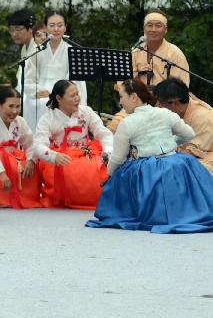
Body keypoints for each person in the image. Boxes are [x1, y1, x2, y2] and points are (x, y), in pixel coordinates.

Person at [87, 80, 213, 233]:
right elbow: (189, 134)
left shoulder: (127, 123)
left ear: (133, 97)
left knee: (121, 172)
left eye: (121, 96)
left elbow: (118, 158)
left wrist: (109, 175)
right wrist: (171, 142)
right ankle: (187, 212)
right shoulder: (165, 113)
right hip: (174, 162)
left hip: (147, 171)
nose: (120, 102)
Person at [32, 80, 113, 209]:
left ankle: (93, 199)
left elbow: (103, 133)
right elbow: (38, 145)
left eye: (77, 94)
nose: (77, 98)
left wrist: (108, 151)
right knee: (68, 171)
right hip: (60, 157)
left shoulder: (86, 112)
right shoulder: (48, 118)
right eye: (72, 96)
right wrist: (54, 157)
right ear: (59, 98)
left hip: (85, 153)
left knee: (99, 168)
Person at [108, 11, 191, 132]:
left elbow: (181, 88)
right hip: (137, 103)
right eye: (149, 25)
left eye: (158, 25)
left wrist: (160, 99)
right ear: (144, 28)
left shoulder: (175, 54)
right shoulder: (136, 51)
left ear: (165, 29)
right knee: (116, 126)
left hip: (163, 105)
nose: (153, 29)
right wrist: (134, 96)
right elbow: (123, 82)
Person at [21, 10, 87, 131]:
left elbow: (77, 83)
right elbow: (28, 80)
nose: (56, 29)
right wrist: (36, 90)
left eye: (60, 25)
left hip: (64, 94)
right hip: (40, 93)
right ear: (46, 27)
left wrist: (61, 94)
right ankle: (35, 144)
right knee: (32, 103)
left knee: (54, 104)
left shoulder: (71, 51)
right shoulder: (37, 51)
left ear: (65, 28)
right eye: (52, 25)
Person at [0, 87, 40, 209]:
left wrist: (31, 161)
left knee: (33, 164)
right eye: (11, 106)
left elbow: (31, 144)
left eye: (18, 107)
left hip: (12, 159)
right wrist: (1, 172)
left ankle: (23, 197)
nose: (15, 111)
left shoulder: (20, 122)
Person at [156, 78, 213, 174]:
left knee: (171, 171)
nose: (158, 106)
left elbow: (193, 153)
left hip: (205, 162)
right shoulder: (178, 112)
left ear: (174, 103)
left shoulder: (203, 117)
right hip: (186, 158)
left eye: (161, 103)